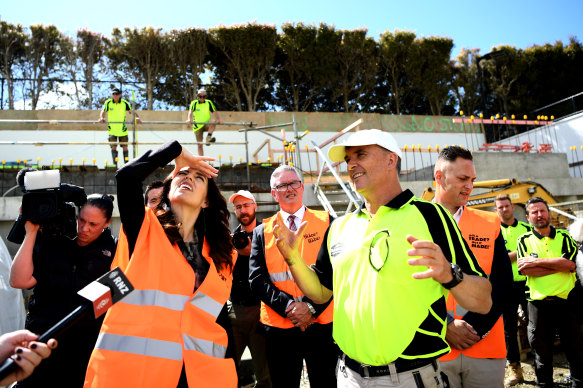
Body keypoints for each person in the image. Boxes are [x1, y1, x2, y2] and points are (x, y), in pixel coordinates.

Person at [271, 129, 492, 388]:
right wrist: (292, 258)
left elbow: (483, 300)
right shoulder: (339, 226)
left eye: (361, 155)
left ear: (391, 161)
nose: (352, 164)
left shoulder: (430, 215)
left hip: (411, 377)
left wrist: (450, 275)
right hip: (348, 376)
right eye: (348, 159)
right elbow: (320, 293)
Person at [84, 140, 237, 388]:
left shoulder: (222, 254)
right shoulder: (143, 229)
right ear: (168, 190)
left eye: (199, 178)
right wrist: (176, 151)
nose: (188, 177)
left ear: (207, 201)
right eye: (182, 174)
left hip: (202, 374)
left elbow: (219, 320)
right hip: (139, 373)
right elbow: (126, 176)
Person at [9, 194, 117, 388]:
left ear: (107, 222)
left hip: (84, 348)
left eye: (93, 224)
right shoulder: (54, 240)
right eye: (81, 220)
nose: (84, 229)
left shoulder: (115, 250)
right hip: (41, 339)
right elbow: (19, 281)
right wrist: (31, 233)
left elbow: (117, 299)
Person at [249, 165, 337, 388]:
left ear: (302, 186)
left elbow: (337, 274)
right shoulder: (262, 230)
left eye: (294, 183)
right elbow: (257, 279)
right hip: (279, 328)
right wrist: (289, 306)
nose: (289, 189)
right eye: (282, 185)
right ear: (273, 193)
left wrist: (310, 308)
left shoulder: (328, 222)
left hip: (322, 324)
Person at [433, 146, 513, 388]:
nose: (469, 186)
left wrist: (474, 330)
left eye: (472, 180)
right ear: (439, 177)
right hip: (434, 349)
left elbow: (502, 284)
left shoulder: (489, 223)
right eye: (462, 179)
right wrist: (445, 326)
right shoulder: (412, 220)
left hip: (485, 346)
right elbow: (402, 286)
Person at [517, 197, 583, 388]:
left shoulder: (565, 237)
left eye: (542, 211)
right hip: (538, 304)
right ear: (528, 217)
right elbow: (526, 270)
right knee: (541, 352)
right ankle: (545, 384)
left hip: (566, 302)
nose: (539, 215)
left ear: (549, 213)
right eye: (534, 212)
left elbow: (570, 264)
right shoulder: (524, 240)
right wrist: (558, 264)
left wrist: (536, 262)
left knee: (575, 347)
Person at [228, 190, 271, 388]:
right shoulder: (232, 239)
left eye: (246, 205)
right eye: (238, 207)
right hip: (235, 309)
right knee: (226, 367)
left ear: (255, 206)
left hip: (262, 310)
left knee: (265, 373)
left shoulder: (268, 234)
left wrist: (253, 252)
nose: (243, 210)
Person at [494, 193, 532, 385]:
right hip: (505, 285)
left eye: (507, 206)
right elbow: (495, 260)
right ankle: (515, 370)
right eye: (500, 207)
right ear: (496, 210)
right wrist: (517, 254)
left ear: (512, 207)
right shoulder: (493, 232)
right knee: (509, 329)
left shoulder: (527, 228)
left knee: (534, 325)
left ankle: (541, 363)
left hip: (528, 283)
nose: (504, 209)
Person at [98, 88, 141, 166]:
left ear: (120, 95)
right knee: (113, 147)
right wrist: (101, 117)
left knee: (125, 147)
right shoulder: (108, 102)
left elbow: (132, 111)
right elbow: (103, 111)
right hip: (112, 130)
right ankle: (115, 165)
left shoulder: (124, 103)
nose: (115, 95)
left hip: (122, 129)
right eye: (113, 94)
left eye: (116, 94)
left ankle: (126, 164)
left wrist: (137, 117)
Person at [186, 88, 222, 156]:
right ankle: (202, 161)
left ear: (205, 97)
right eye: (200, 96)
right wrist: (189, 119)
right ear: (198, 96)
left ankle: (208, 138)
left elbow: (214, 111)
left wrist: (218, 119)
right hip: (197, 126)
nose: (202, 98)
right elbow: (190, 112)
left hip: (206, 124)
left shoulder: (208, 102)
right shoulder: (194, 103)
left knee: (213, 121)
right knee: (200, 145)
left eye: (203, 96)